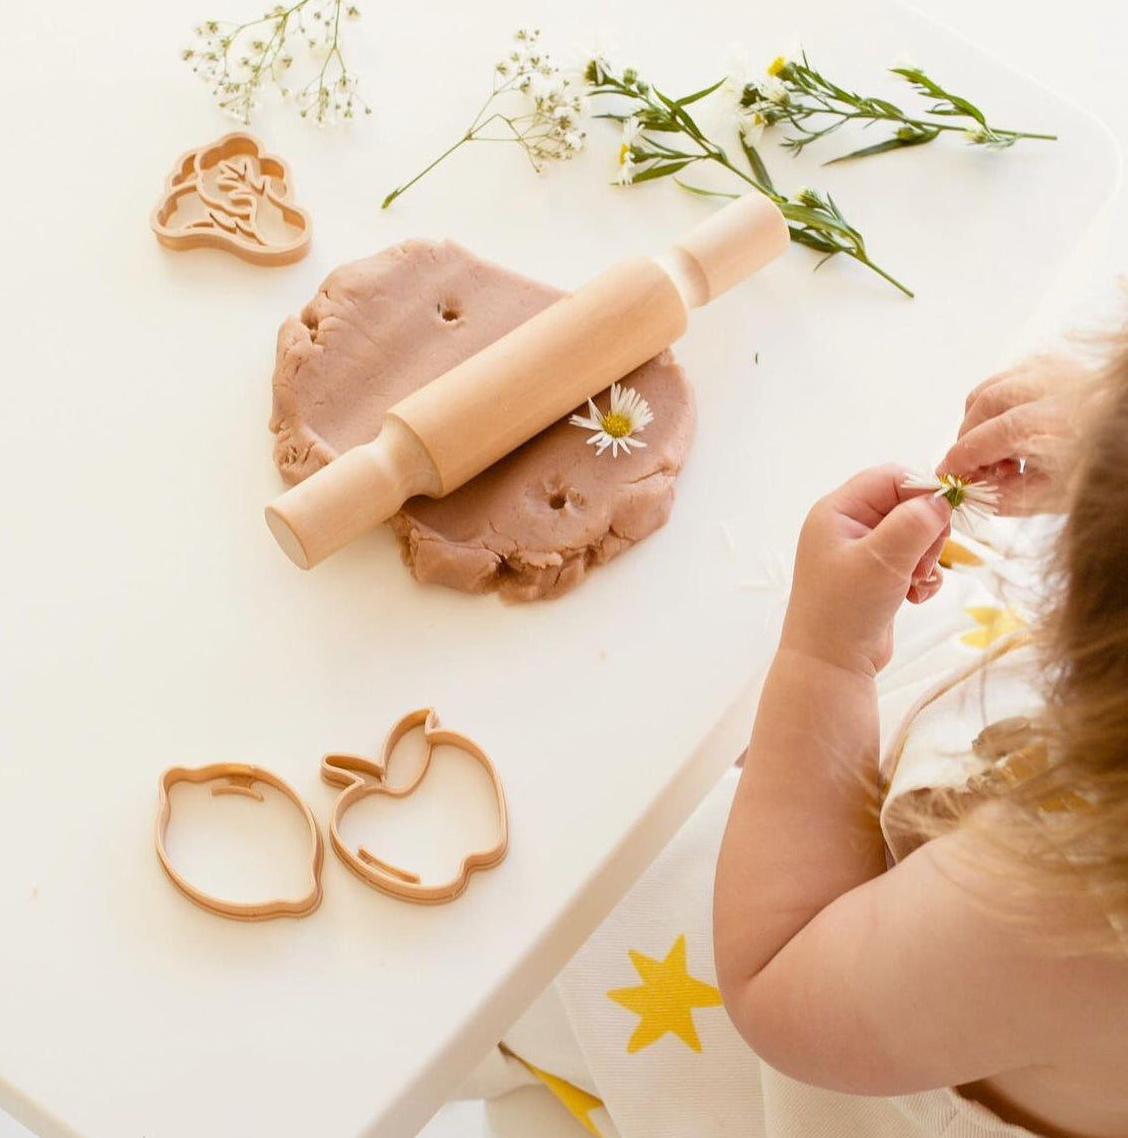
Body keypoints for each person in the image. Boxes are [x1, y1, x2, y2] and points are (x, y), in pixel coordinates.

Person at [470, 345, 1128, 1138]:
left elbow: (779, 972)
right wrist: (1101, 436)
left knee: (521, 911)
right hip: (951, 865)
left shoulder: (1064, 914)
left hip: (792, 1013)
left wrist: (826, 657)